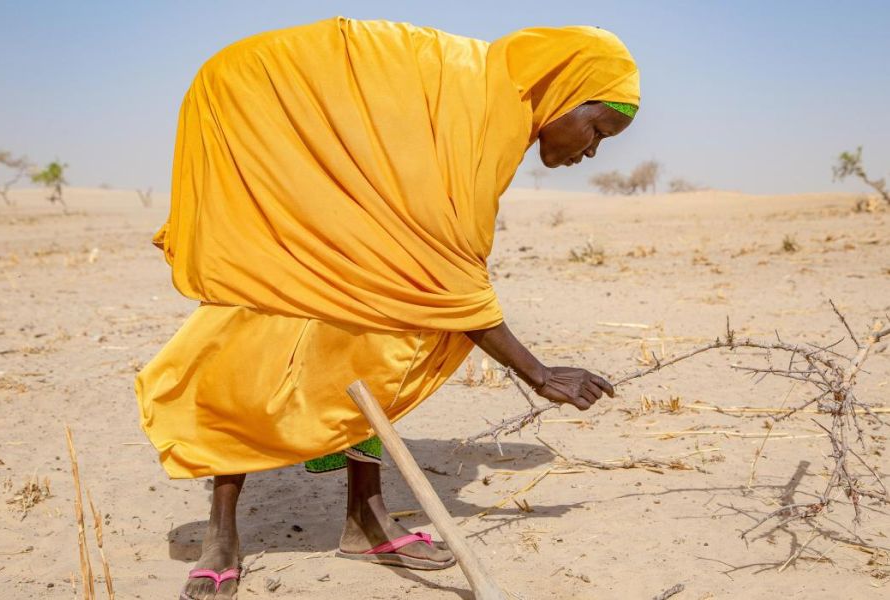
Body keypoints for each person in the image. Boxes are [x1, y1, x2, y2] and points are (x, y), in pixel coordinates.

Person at [135, 16, 639, 600]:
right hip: (262, 119)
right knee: (256, 329)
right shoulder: (477, 103)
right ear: (565, 92)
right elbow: (446, 271)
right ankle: (221, 533)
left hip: (339, 190)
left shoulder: (492, 113)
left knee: (379, 335)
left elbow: (429, 263)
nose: (593, 148)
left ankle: (366, 519)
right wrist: (536, 371)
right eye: (597, 128)